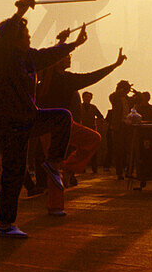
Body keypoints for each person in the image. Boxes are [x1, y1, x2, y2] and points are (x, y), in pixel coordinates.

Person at [0, 0, 86, 238]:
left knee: (63, 117)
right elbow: (1, 38)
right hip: (9, 123)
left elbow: (49, 54)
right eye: (26, 33)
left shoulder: (29, 57)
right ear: (15, 37)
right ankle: (5, 224)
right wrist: (19, 13)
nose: (30, 37)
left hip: (29, 118)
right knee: (14, 171)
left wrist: (74, 43)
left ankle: (53, 162)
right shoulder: (2, 57)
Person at [35, 47, 125, 213]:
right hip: (47, 125)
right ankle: (55, 206)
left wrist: (114, 65)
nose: (69, 59)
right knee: (53, 165)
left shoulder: (69, 79)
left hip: (65, 124)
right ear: (56, 60)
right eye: (65, 56)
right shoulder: (47, 76)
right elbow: (44, 62)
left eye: (69, 56)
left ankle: (68, 167)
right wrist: (61, 43)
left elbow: (92, 77)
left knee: (94, 138)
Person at [105, 80, 131, 178]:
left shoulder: (127, 99)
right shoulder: (114, 97)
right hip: (118, 126)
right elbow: (113, 96)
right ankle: (119, 172)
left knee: (127, 149)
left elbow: (139, 99)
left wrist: (136, 92)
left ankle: (127, 169)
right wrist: (119, 91)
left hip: (127, 125)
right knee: (118, 149)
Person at [79, 92, 104, 174]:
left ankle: (94, 168)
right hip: (82, 130)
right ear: (83, 98)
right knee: (82, 150)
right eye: (86, 97)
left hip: (92, 131)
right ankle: (82, 167)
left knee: (93, 151)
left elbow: (100, 116)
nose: (87, 98)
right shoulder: (79, 107)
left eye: (89, 97)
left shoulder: (93, 107)